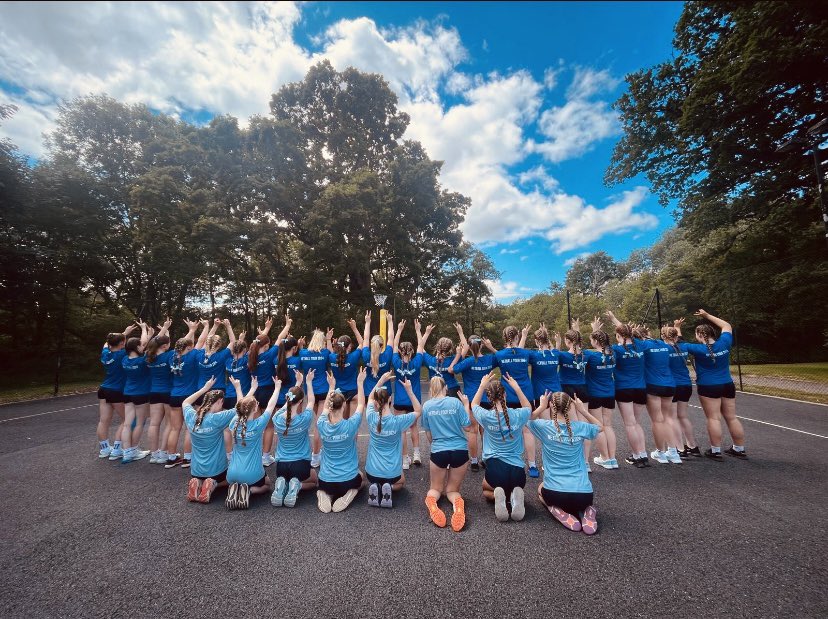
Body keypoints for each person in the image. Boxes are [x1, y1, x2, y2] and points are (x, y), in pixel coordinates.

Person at [528, 391, 602, 535]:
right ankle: (587, 510)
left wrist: (542, 406)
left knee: (540, 489)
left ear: (551, 406)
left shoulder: (544, 427)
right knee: (580, 496)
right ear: (570, 407)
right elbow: (600, 427)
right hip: (584, 495)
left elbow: (527, 420)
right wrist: (582, 410)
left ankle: (556, 510)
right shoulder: (580, 427)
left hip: (555, 494)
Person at [679, 309, 747, 460]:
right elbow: (726, 325)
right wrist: (707, 316)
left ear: (700, 335)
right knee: (731, 417)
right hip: (727, 384)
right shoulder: (724, 342)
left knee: (713, 418)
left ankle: (715, 451)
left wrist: (677, 328)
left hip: (708, 386)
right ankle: (739, 448)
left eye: (697, 335)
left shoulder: (697, 349)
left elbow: (679, 343)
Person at [471, 372, 533, 523]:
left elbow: (473, 405)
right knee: (511, 484)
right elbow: (528, 407)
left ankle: (501, 496)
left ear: (488, 398)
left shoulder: (486, 416)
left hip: (495, 471)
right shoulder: (518, 415)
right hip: (518, 473)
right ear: (505, 395)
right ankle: (513, 495)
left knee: (486, 490)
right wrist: (517, 388)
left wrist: (482, 385)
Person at [182, 376, 251, 504]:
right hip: (216, 470)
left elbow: (185, 402)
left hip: (196, 470)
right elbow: (240, 407)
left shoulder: (191, 416)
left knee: (201, 476)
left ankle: (198, 482)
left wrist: (204, 388)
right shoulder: (217, 418)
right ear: (219, 401)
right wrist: (237, 388)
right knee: (233, 480)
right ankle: (212, 484)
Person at [421, 376, 474, 532]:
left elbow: (428, 433)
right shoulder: (455, 403)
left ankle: (432, 504)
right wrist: (466, 405)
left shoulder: (427, 406)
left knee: (435, 488)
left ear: (431, 389)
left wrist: (436, 445)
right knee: (452, 490)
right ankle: (457, 508)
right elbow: (467, 427)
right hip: (459, 451)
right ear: (445, 388)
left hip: (439, 450)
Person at [365, 372, 422, 508]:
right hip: (391, 473)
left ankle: (376, 486)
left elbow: (370, 400)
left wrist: (380, 381)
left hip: (371, 473)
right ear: (390, 399)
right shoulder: (398, 421)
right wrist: (409, 391)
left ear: (375, 402)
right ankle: (388, 487)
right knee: (401, 481)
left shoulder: (371, 417)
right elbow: (418, 410)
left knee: (375, 476)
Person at [316, 368, 368, 513]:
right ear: (344, 405)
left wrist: (331, 387)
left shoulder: (321, 423)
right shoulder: (351, 425)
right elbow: (360, 405)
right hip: (348, 480)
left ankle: (323, 493)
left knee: (323, 482)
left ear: (330, 407)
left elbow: (325, 408)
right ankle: (350, 493)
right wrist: (360, 383)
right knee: (361, 478)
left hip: (326, 481)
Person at [448, 324, 499, 472]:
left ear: (469, 347)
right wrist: (491, 347)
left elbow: (451, 370)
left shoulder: (468, 361)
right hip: (488, 398)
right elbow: (501, 356)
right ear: (481, 345)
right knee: (486, 430)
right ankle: (487, 458)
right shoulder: (490, 359)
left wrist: (459, 354)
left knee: (472, 430)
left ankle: (475, 461)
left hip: (472, 399)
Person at [226, 376, 280, 510]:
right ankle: (250, 491)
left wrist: (246, 388)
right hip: (251, 475)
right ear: (255, 409)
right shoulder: (258, 424)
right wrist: (277, 387)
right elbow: (271, 405)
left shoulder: (234, 423)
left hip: (231, 474)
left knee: (238, 477)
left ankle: (236, 487)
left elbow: (240, 404)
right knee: (267, 485)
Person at [604, 316, 649, 467]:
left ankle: (637, 456)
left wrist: (613, 322)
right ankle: (642, 453)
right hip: (640, 388)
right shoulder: (641, 346)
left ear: (618, 336)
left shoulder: (616, 349)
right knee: (636, 422)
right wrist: (616, 321)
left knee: (630, 424)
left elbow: (603, 348)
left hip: (624, 388)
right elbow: (627, 333)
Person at [494, 324, 537, 477]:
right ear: (517, 337)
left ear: (504, 338)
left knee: (509, 429)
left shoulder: (499, 355)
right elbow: (520, 353)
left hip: (508, 396)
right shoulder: (526, 353)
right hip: (526, 395)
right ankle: (532, 465)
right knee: (527, 430)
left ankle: (511, 461)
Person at [270, 370, 318, 508]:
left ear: (287, 399)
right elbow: (312, 401)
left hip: (281, 467)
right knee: (314, 479)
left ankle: (282, 484)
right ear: (301, 401)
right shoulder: (305, 419)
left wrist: (297, 383)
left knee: (285, 476)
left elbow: (287, 406)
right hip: (300, 465)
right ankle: (297, 485)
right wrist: (308, 382)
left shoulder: (276, 419)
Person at [164, 318, 208, 469]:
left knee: (175, 428)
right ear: (189, 347)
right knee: (190, 427)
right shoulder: (192, 356)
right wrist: (204, 327)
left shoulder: (171, 356)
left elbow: (183, 344)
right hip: (190, 396)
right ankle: (188, 458)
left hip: (175, 396)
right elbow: (202, 340)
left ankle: (171, 457)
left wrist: (191, 330)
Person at [249, 315, 292, 467]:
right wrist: (287, 325)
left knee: (256, 425)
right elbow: (280, 338)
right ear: (266, 345)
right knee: (268, 426)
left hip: (255, 393)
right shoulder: (268, 355)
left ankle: (254, 455)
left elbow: (259, 341)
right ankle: (265, 457)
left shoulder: (251, 356)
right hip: (268, 392)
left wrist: (266, 329)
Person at [97, 324, 138, 460]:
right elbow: (136, 346)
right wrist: (125, 335)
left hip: (104, 389)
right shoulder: (122, 354)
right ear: (122, 343)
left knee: (104, 421)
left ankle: (104, 449)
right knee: (126, 420)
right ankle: (117, 449)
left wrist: (123, 333)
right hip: (116, 391)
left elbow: (106, 343)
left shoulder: (105, 353)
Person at [583, 317, 618, 470]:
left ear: (595, 341)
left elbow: (578, 350)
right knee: (608, 426)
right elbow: (603, 347)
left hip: (595, 394)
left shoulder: (591, 356)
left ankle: (605, 457)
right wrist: (596, 331)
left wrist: (594, 331)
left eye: (592, 339)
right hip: (609, 393)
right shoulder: (612, 354)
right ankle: (612, 458)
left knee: (598, 427)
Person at [664, 319, 701, 457]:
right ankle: (692, 446)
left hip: (673, 385)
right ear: (676, 336)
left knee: (672, 418)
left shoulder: (665, 349)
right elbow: (679, 339)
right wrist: (677, 327)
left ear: (664, 337)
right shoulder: (684, 347)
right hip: (686, 384)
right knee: (683, 416)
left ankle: (680, 448)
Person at [391, 318, 424, 469]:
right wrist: (418, 330)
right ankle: (416, 454)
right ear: (412, 351)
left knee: (402, 430)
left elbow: (393, 346)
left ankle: (405, 459)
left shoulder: (396, 362)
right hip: (413, 400)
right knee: (413, 427)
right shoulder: (417, 362)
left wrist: (398, 330)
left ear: (400, 351)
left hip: (399, 400)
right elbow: (421, 346)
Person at [120, 320, 154, 463]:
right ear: (136, 347)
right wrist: (145, 330)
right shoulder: (142, 361)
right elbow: (147, 344)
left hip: (127, 393)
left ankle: (127, 451)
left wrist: (144, 330)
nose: (142, 346)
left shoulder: (124, 360)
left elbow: (143, 343)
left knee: (127, 423)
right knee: (140, 423)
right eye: (140, 345)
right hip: (140, 394)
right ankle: (134, 449)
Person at [299, 328, 332, 467]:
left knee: (319, 423)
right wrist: (329, 340)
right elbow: (332, 358)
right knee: (319, 424)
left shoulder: (302, 353)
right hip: (323, 390)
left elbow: (301, 366)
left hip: (310, 391)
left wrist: (301, 346)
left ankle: (316, 453)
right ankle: (316, 455)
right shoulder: (324, 353)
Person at [145, 317, 174, 464]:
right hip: (168, 391)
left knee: (154, 424)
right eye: (168, 344)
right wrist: (165, 329)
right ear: (164, 346)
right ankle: (163, 452)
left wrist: (164, 328)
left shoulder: (148, 356)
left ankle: (154, 454)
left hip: (154, 392)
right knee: (170, 424)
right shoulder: (169, 356)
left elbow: (155, 342)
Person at [328, 318, 364, 419]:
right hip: (353, 391)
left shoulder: (331, 357)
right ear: (350, 346)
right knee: (353, 423)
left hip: (339, 393)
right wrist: (354, 328)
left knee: (340, 422)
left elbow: (330, 351)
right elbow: (362, 343)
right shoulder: (353, 357)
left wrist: (328, 339)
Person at [361, 310, 395, 395]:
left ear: (371, 344)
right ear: (382, 345)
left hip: (369, 391)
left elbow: (365, 338)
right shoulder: (387, 355)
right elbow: (391, 338)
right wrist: (390, 321)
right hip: (385, 392)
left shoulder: (366, 355)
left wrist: (367, 322)